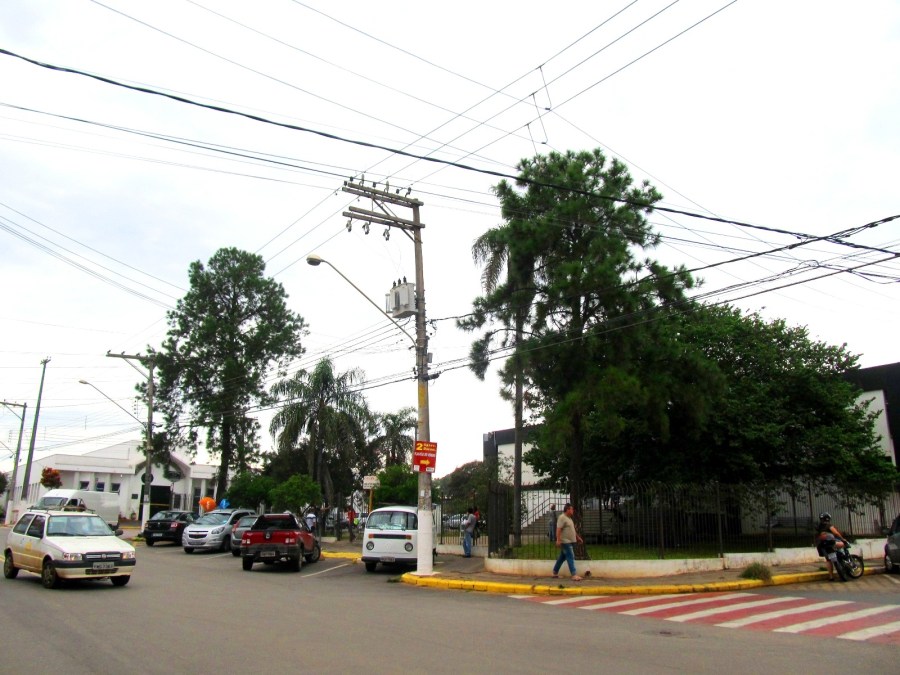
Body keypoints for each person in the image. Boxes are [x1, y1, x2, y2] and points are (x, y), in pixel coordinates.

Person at [552, 503, 584, 581]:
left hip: (570, 541)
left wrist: (578, 537)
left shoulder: (569, 518)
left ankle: (555, 572)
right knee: (571, 556)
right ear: (567, 510)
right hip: (565, 542)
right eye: (571, 509)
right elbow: (558, 529)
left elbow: (572, 530)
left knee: (562, 557)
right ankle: (574, 574)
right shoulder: (562, 517)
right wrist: (558, 540)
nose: (573, 510)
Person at [815, 512, 847, 581]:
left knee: (828, 560)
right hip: (830, 544)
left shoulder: (818, 527)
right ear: (828, 518)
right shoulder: (828, 525)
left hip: (821, 546)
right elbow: (836, 533)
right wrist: (842, 539)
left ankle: (831, 577)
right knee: (842, 544)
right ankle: (842, 556)